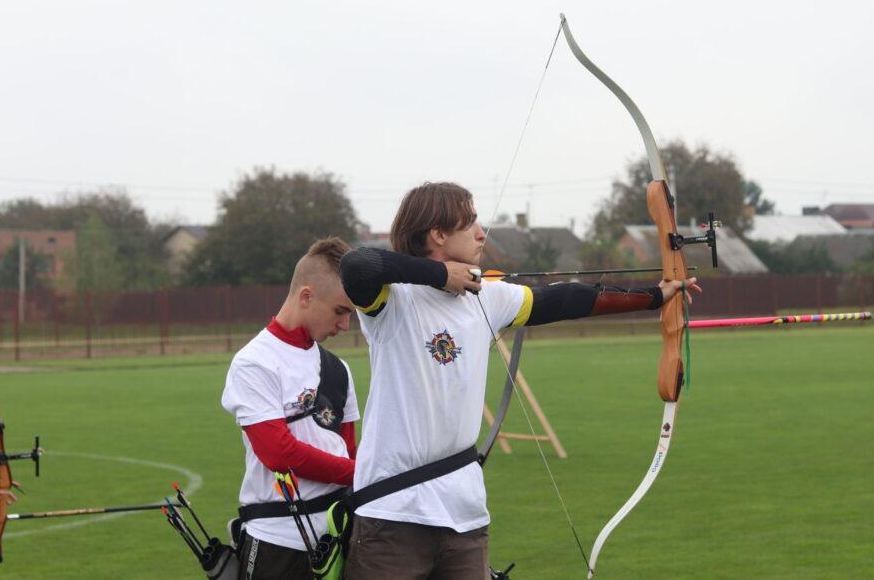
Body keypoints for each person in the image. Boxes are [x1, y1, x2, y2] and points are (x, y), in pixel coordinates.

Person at [338, 181, 701, 579]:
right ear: (438, 234)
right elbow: (357, 264)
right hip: (393, 516)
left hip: (464, 513)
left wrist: (654, 296)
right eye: (469, 223)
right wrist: (441, 274)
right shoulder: (393, 301)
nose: (481, 233)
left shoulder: (486, 297)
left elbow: (565, 299)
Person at [221, 237, 360, 580]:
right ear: (306, 296)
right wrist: (361, 473)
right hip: (277, 541)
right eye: (340, 311)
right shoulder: (254, 363)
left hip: (339, 535)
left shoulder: (339, 369)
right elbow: (278, 453)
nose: (345, 325)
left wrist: (360, 474)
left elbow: (347, 448)